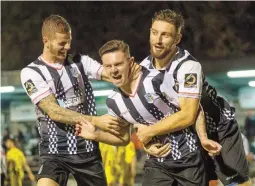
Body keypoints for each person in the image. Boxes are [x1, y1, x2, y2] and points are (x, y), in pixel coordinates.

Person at [76, 40, 221, 186]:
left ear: (130, 62)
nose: (113, 70)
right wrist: (95, 135)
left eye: (118, 64)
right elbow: (123, 138)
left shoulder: (156, 80)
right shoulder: (113, 102)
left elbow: (193, 109)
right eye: (108, 66)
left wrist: (203, 138)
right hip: (156, 163)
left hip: (188, 159)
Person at [139, 9, 251, 186]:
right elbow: (140, 109)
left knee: (236, 183)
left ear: (177, 39)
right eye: (154, 33)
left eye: (165, 35)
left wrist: (148, 132)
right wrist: (146, 140)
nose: (158, 40)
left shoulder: (188, 66)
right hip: (189, 134)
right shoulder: (143, 68)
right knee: (207, 181)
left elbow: (188, 115)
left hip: (219, 128)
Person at [20, 15, 130, 186]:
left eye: (69, 41)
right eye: (62, 43)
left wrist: (125, 73)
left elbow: (113, 75)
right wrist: (97, 121)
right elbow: (54, 111)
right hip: (54, 152)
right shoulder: (31, 72)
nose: (68, 47)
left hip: (87, 151)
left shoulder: (80, 62)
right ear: (46, 41)